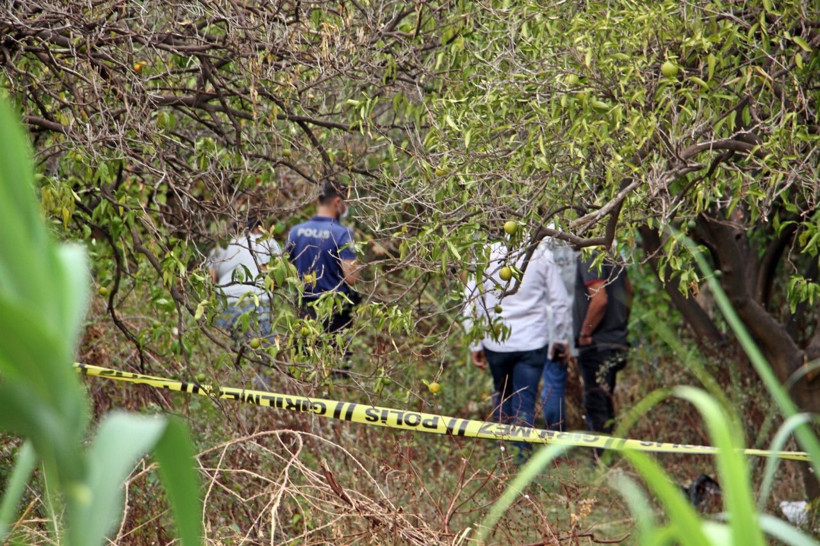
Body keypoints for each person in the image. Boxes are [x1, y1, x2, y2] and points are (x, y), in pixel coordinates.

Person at [465, 238, 571, 465]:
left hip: (495, 342)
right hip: (532, 341)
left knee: (501, 394)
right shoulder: (540, 252)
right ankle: (520, 460)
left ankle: (502, 455)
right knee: (525, 400)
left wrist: (475, 344)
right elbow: (560, 301)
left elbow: (470, 300)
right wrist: (561, 338)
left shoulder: (485, 253)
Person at [573, 251, 633, 446]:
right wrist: (620, 324)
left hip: (597, 345)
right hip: (616, 340)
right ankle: (609, 454)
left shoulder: (588, 256)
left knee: (596, 404)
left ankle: (601, 458)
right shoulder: (613, 253)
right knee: (605, 401)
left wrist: (585, 333)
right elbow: (629, 293)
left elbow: (600, 300)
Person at [286, 181, 361, 333]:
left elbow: (285, 272)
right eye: (346, 203)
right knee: (335, 348)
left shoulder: (296, 232)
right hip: (335, 311)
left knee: (306, 347)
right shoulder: (342, 233)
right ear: (338, 202)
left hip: (304, 310)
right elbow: (351, 277)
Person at [208, 215, 282, 342]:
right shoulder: (267, 242)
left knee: (230, 347)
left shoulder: (220, 248)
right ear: (258, 229)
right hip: (258, 299)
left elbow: (211, 281)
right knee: (263, 345)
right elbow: (279, 274)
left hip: (227, 302)